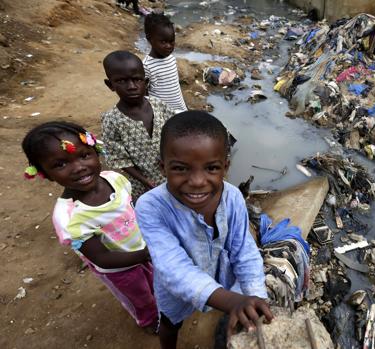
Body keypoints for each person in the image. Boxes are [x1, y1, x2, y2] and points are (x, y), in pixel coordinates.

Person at [135, 111, 273, 349]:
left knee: (231, 312)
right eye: (180, 169)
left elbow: (244, 251)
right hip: (175, 290)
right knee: (170, 322)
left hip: (222, 275)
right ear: (162, 167)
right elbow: (172, 267)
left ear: (225, 167)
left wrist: (255, 297)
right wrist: (231, 300)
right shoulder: (151, 206)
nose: (197, 181)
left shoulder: (233, 197)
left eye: (211, 168)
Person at [21, 121, 158, 331]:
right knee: (139, 297)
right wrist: (146, 254)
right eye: (60, 164)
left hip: (143, 250)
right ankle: (148, 320)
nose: (79, 167)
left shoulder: (116, 179)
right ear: (44, 173)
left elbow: (132, 211)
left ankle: (159, 304)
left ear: (97, 152)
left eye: (84, 155)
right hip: (120, 270)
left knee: (155, 286)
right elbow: (102, 258)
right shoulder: (69, 217)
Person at [101, 50, 176, 198]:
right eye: (122, 81)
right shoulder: (112, 120)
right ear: (110, 85)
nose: (131, 86)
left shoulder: (159, 105)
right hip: (142, 185)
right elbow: (118, 159)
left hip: (172, 174)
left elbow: (176, 132)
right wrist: (146, 181)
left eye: (137, 79)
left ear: (146, 82)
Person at [143, 13, 187, 113]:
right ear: (149, 39)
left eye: (171, 42)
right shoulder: (147, 66)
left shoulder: (171, 59)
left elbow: (175, 87)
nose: (168, 46)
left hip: (180, 109)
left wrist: (184, 106)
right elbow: (144, 94)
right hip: (162, 113)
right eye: (163, 42)